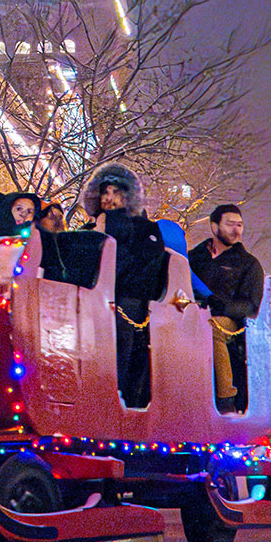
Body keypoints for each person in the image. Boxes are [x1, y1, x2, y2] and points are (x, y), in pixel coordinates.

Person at [82, 163, 168, 407]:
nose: (109, 198)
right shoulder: (88, 228)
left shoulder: (145, 228)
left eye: (117, 193)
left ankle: (118, 395)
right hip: (90, 299)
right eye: (105, 192)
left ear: (128, 196)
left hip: (127, 301)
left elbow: (147, 269)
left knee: (121, 350)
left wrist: (107, 235)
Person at [187, 203, 262, 411]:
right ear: (214, 227)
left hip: (228, 322)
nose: (236, 230)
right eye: (230, 224)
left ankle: (225, 398)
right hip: (190, 316)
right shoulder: (193, 258)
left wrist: (220, 308)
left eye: (239, 225)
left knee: (213, 328)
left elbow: (251, 306)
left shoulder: (248, 264)